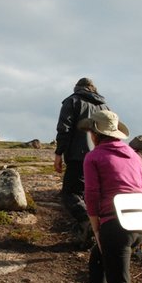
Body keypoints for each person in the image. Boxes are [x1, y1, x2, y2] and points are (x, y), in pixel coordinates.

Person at [76, 109, 142, 283]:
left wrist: (97, 230)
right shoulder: (134, 155)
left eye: (91, 132)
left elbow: (92, 196)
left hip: (114, 226)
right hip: (139, 223)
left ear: (96, 134)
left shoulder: (94, 157)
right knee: (98, 259)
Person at [53, 77, 109, 246]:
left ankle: (87, 223)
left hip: (79, 156)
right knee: (91, 193)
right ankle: (91, 232)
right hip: (101, 157)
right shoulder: (104, 106)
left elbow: (65, 128)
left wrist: (59, 153)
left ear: (77, 88)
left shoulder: (72, 101)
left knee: (71, 193)